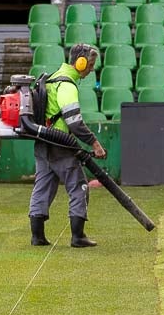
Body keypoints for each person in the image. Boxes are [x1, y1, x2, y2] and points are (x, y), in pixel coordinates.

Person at [29, 43, 107, 248]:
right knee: (79, 186)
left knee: (42, 187)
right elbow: (74, 121)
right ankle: (78, 236)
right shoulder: (67, 86)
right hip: (60, 145)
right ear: (79, 62)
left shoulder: (51, 79)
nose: (91, 70)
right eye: (90, 65)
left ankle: (37, 237)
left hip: (42, 143)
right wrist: (94, 143)